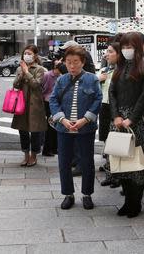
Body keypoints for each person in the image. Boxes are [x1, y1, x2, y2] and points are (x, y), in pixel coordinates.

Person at [109, 32, 144, 218]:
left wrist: (132, 118)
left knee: (138, 163)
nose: (126, 50)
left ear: (139, 47)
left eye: (130, 46)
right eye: (123, 46)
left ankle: (135, 203)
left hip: (139, 120)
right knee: (123, 163)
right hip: (120, 120)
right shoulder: (119, 67)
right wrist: (116, 116)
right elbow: (112, 93)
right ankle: (127, 201)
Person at [49, 45, 102, 210]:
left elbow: (97, 100)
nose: (72, 66)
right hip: (64, 128)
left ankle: (87, 194)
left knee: (87, 162)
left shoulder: (92, 79)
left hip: (85, 129)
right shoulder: (61, 80)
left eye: (76, 62)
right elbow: (53, 100)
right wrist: (62, 119)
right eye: (68, 62)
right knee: (64, 162)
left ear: (83, 62)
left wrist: (85, 119)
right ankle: (68, 194)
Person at [11, 45, 48, 166]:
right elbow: (15, 85)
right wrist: (21, 73)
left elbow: (36, 85)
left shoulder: (40, 69)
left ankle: (34, 155)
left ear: (35, 55)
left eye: (29, 53)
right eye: (25, 53)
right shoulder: (19, 69)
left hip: (35, 103)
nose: (26, 55)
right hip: (21, 102)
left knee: (35, 131)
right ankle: (25, 155)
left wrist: (27, 72)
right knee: (22, 130)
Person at [99, 44, 120, 188]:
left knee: (117, 144)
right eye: (106, 51)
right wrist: (98, 79)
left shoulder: (122, 71)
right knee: (107, 141)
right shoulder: (105, 70)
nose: (106, 54)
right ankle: (109, 173)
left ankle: (117, 176)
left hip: (116, 109)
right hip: (104, 106)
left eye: (110, 52)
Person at [41, 62, 64, 157]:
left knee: (55, 126)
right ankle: (47, 149)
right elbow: (42, 88)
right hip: (47, 102)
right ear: (55, 68)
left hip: (57, 103)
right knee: (50, 126)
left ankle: (54, 148)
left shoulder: (61, 76)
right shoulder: (47, 75)